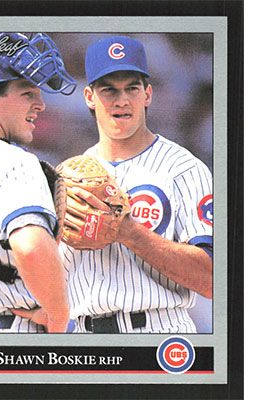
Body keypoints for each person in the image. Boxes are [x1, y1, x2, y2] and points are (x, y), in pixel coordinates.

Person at [62, 35, 213, 333]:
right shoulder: (69, 177)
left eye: (131, 88)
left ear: (147, 95)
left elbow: (211, 279)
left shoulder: (183, 168)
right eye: (109, 90)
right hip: (84, 336)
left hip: (158, 331)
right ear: (89, 96)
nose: (122, 100)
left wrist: (129, 232)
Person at [0, 32, 76, 333]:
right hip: (11, 337)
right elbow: (31, 246)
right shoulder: (14, 161)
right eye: (28, 93)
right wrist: (58, 315)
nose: (41, 104)